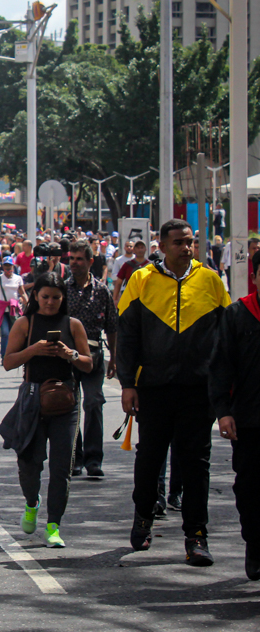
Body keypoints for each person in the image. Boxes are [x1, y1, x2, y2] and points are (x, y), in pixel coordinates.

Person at [117, 219, 230, 565]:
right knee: (150, 458)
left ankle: (196, 535)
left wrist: (224, 387)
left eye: (190, 242)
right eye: (179, 242)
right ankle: (143, 517)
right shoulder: (141, 280)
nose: (186, 248)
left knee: (196, 463)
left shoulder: (210, 280)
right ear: (162, 246)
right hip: (153, 387)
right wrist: (127, 384)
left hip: (198, 390)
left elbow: (226, 338)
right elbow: (128, 336)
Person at [1, 273, 93, 549]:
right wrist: (34, 349)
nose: (50, 302)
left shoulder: (73, 325)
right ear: (35, 297)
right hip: (32, 401)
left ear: (63, 298)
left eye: (56, 297)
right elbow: (8, 362)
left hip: (65, 402)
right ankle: (32, 503)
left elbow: (88, 364)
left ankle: (53, 525)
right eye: (45, 297)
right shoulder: (25, 323)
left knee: (61, 466)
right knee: (29, 464)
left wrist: (71, 355)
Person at [209, 248, 260, 581]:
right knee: (252, 488)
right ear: (255, 277)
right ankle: (255, 544)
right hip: (250, 420)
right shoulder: (237, 314)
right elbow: (221, 367)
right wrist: (223, 412)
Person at [64, 240, 118, 478]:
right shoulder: (62, 290)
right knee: (71, 405)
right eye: (71, 258)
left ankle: (94, 460)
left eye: (79, 259)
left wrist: (113, 359)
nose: (74, 263)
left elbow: (112, 326)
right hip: (68, 357)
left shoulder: (102, 290)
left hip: (94, 356)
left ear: (90, 262)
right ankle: (75, 457)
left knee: (94, 402)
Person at [0, 259, 25, 351]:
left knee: (14, 332)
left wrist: (28, 303)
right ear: (3, 267)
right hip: (3, 309)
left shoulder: (18, 278)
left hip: (14, 309)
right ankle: (4, 354)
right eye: (6, 266)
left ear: (13, 266)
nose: (8, 268)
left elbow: (22, 293)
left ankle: (13, 351)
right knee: (5, 332)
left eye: (10, 265)